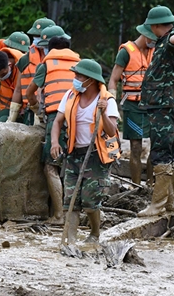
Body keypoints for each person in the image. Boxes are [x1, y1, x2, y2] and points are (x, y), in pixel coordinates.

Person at [49, 59, 120, 244]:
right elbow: (57, 121)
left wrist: (103, 113)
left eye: (79, 76)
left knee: (89, 202)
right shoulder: (71, 96)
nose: (75, 79)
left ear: (90, 79)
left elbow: (112, 131)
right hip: (74, 154)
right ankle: (70, 239)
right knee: (70, 200)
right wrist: (54, 142)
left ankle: (95, 233)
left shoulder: (107, 101)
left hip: (96, 156)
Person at [137, 6, 174, 218]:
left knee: (160, 154)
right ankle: (170, 203)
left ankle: (157, 205)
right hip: (165, 104)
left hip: (163, 105)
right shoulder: (164, 41)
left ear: (159, 26)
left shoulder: (173, 40)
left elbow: (173, 44)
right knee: (167, 153)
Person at [24, 29, 78, 223]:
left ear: (49, 50)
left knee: (50, 166)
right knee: (73, 165)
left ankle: (58, 215)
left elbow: (30, 93)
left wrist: (36, 108)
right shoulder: (80, 64)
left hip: (58, 117)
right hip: (80, 118)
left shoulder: (46, 65)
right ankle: (75, 213)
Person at [108, 23, 156, 186]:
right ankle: (136, 187)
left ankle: (150, 186)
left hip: (152, 104)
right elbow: (113, 80)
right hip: (132, 106)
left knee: (155, 147)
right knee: (136, 148)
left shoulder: (154, 52)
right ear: (147, 36)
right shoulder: (126, 52)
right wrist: (112, 104)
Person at [12, 18, 55, 124]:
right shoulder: (25, 59)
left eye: (39, 36)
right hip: (31, 110)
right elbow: (18, 89)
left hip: (54, 110)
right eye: (34, 36)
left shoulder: (60, 59)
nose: (36, 39)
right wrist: (12, 115)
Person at [0, 32, 31, 122]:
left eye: (3, 74)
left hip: (26, 108)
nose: (1, 77)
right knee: (3, 120)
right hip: (7, 107)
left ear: (9, 65)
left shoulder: (26, 66)